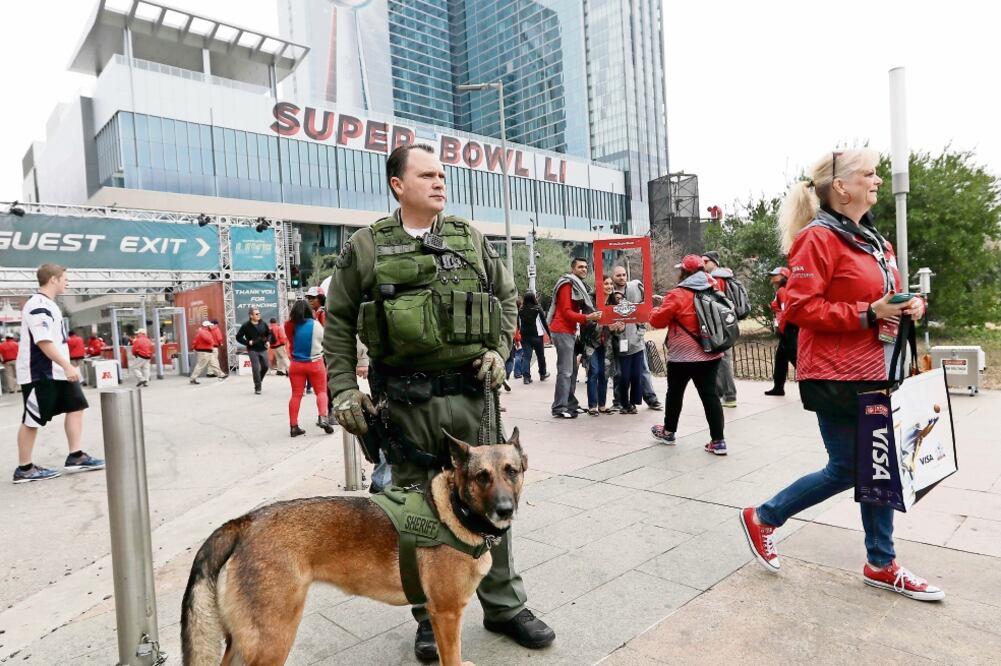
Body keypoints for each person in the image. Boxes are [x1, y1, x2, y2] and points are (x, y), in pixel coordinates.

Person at [325, 143, 555, 660]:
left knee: (496, 501)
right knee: (414, 509)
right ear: (397, 185)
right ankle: (431, 613)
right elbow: (337, 322)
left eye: (442, 174)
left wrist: (499, 349)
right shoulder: (366, 247)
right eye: (426, 174)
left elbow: (507, 299)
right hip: (404, 404)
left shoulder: (470, 239)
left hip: (474, 397)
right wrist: (342, 388)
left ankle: (504, 605)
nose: (439, 182)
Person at [740, 149, 943, 601]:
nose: (877, 180)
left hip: (878, 369)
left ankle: (880, 561)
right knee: (854, 466)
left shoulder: (873, 239)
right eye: (868, 174)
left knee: (877, 468)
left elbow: (889, 295)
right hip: (837, 374)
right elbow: (798, 307)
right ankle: (766, 517)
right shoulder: (818, 238)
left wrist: (912, 304)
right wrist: (867, 313)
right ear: (841, 187)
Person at [13, 264, 104, 483]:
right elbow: (43, 341)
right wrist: (67, 365)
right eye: (65, 278)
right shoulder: (38, 304)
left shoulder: (50, 304)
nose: (68, 282)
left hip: (56, 370)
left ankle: (76, 456)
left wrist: (65, 367)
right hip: (40, 372)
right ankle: (24, 469)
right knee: (32, 419)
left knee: (76, 406)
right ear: (53, 279)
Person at [648, 255, 727, 455]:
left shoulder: (678, 294)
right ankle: (718, 441)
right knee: (710, 396)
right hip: (710, 353)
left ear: (684, 272)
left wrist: (655, 309)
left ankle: (668, 432)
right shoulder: (715, 288)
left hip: (681, 356)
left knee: (675, 394)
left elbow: (657, 321)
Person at [548, 257, 603, 418]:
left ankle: (570, 404)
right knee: (565, 371)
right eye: (580, 267)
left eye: (586, 267)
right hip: (562, 330)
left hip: (569, 331)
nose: (584, 269)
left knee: (572, 370)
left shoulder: (578, 285)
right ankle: (559, 408)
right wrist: (587, 318)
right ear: (573, 269)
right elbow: (566, 312)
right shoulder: (567, 284)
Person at [283, 300, 333, 437]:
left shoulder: (288, 325)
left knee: (296, 395)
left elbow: (290, 340)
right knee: (321, 392)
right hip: (315, 363)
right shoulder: (316, 325)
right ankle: (323, 417)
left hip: (296, 364)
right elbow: (325, 341)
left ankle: (293, 426)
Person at [701, 251, 738, 408]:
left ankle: (729, 395)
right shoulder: (725, 275)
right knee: (721, 359)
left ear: (714, 263)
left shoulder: (717, 278)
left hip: (720, 325)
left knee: (723, 359)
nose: (702, 264)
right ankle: (722, 393)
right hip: (728, 323)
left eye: (705, 261)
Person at [583, 276, 616, 415]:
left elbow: (618, 324)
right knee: (594, 372)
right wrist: (603, 323)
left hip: (606, 343)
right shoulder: (590, 302)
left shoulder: (614, 303)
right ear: (599, 286)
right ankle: (592, 406)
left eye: (610, 284)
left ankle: (602, 405)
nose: (609, 286)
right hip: (592, 343)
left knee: (604, 374)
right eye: (606, 283)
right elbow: (586, 323)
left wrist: (616, 327)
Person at [765, 267, 799, 396]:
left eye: (775, 275)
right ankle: (778, 388)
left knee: (795, 359)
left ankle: (813, 386)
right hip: (789, 328)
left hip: (788, 329)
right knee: (781, 359)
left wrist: (781, 329)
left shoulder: (782, 290)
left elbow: (786, 312)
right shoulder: (786, 289)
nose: (772, 277)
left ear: (783, 276)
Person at [236, 309, 276, 395]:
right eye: (256, 314)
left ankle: (259, 380)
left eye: (259, 313)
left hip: (263, 348)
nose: (259, 315)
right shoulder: (246, 325)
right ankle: (258, 387)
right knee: (256, 368)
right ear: (251, 316)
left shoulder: (263, 324)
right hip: (252, 349)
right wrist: (247, 342)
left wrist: (268, 341)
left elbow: (269, 334)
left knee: (265, 367)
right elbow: (238, 337)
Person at [517, 292, 550, 384]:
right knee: (540, 356)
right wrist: (549, 334)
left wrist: (520, 333)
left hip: (525, 336)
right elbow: (544, 323)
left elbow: (518, 324)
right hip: (537, 336)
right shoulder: (538, 309)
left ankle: (526, 377)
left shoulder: (521, 310)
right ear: (533, 298)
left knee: (527, 357)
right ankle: (543, 374)